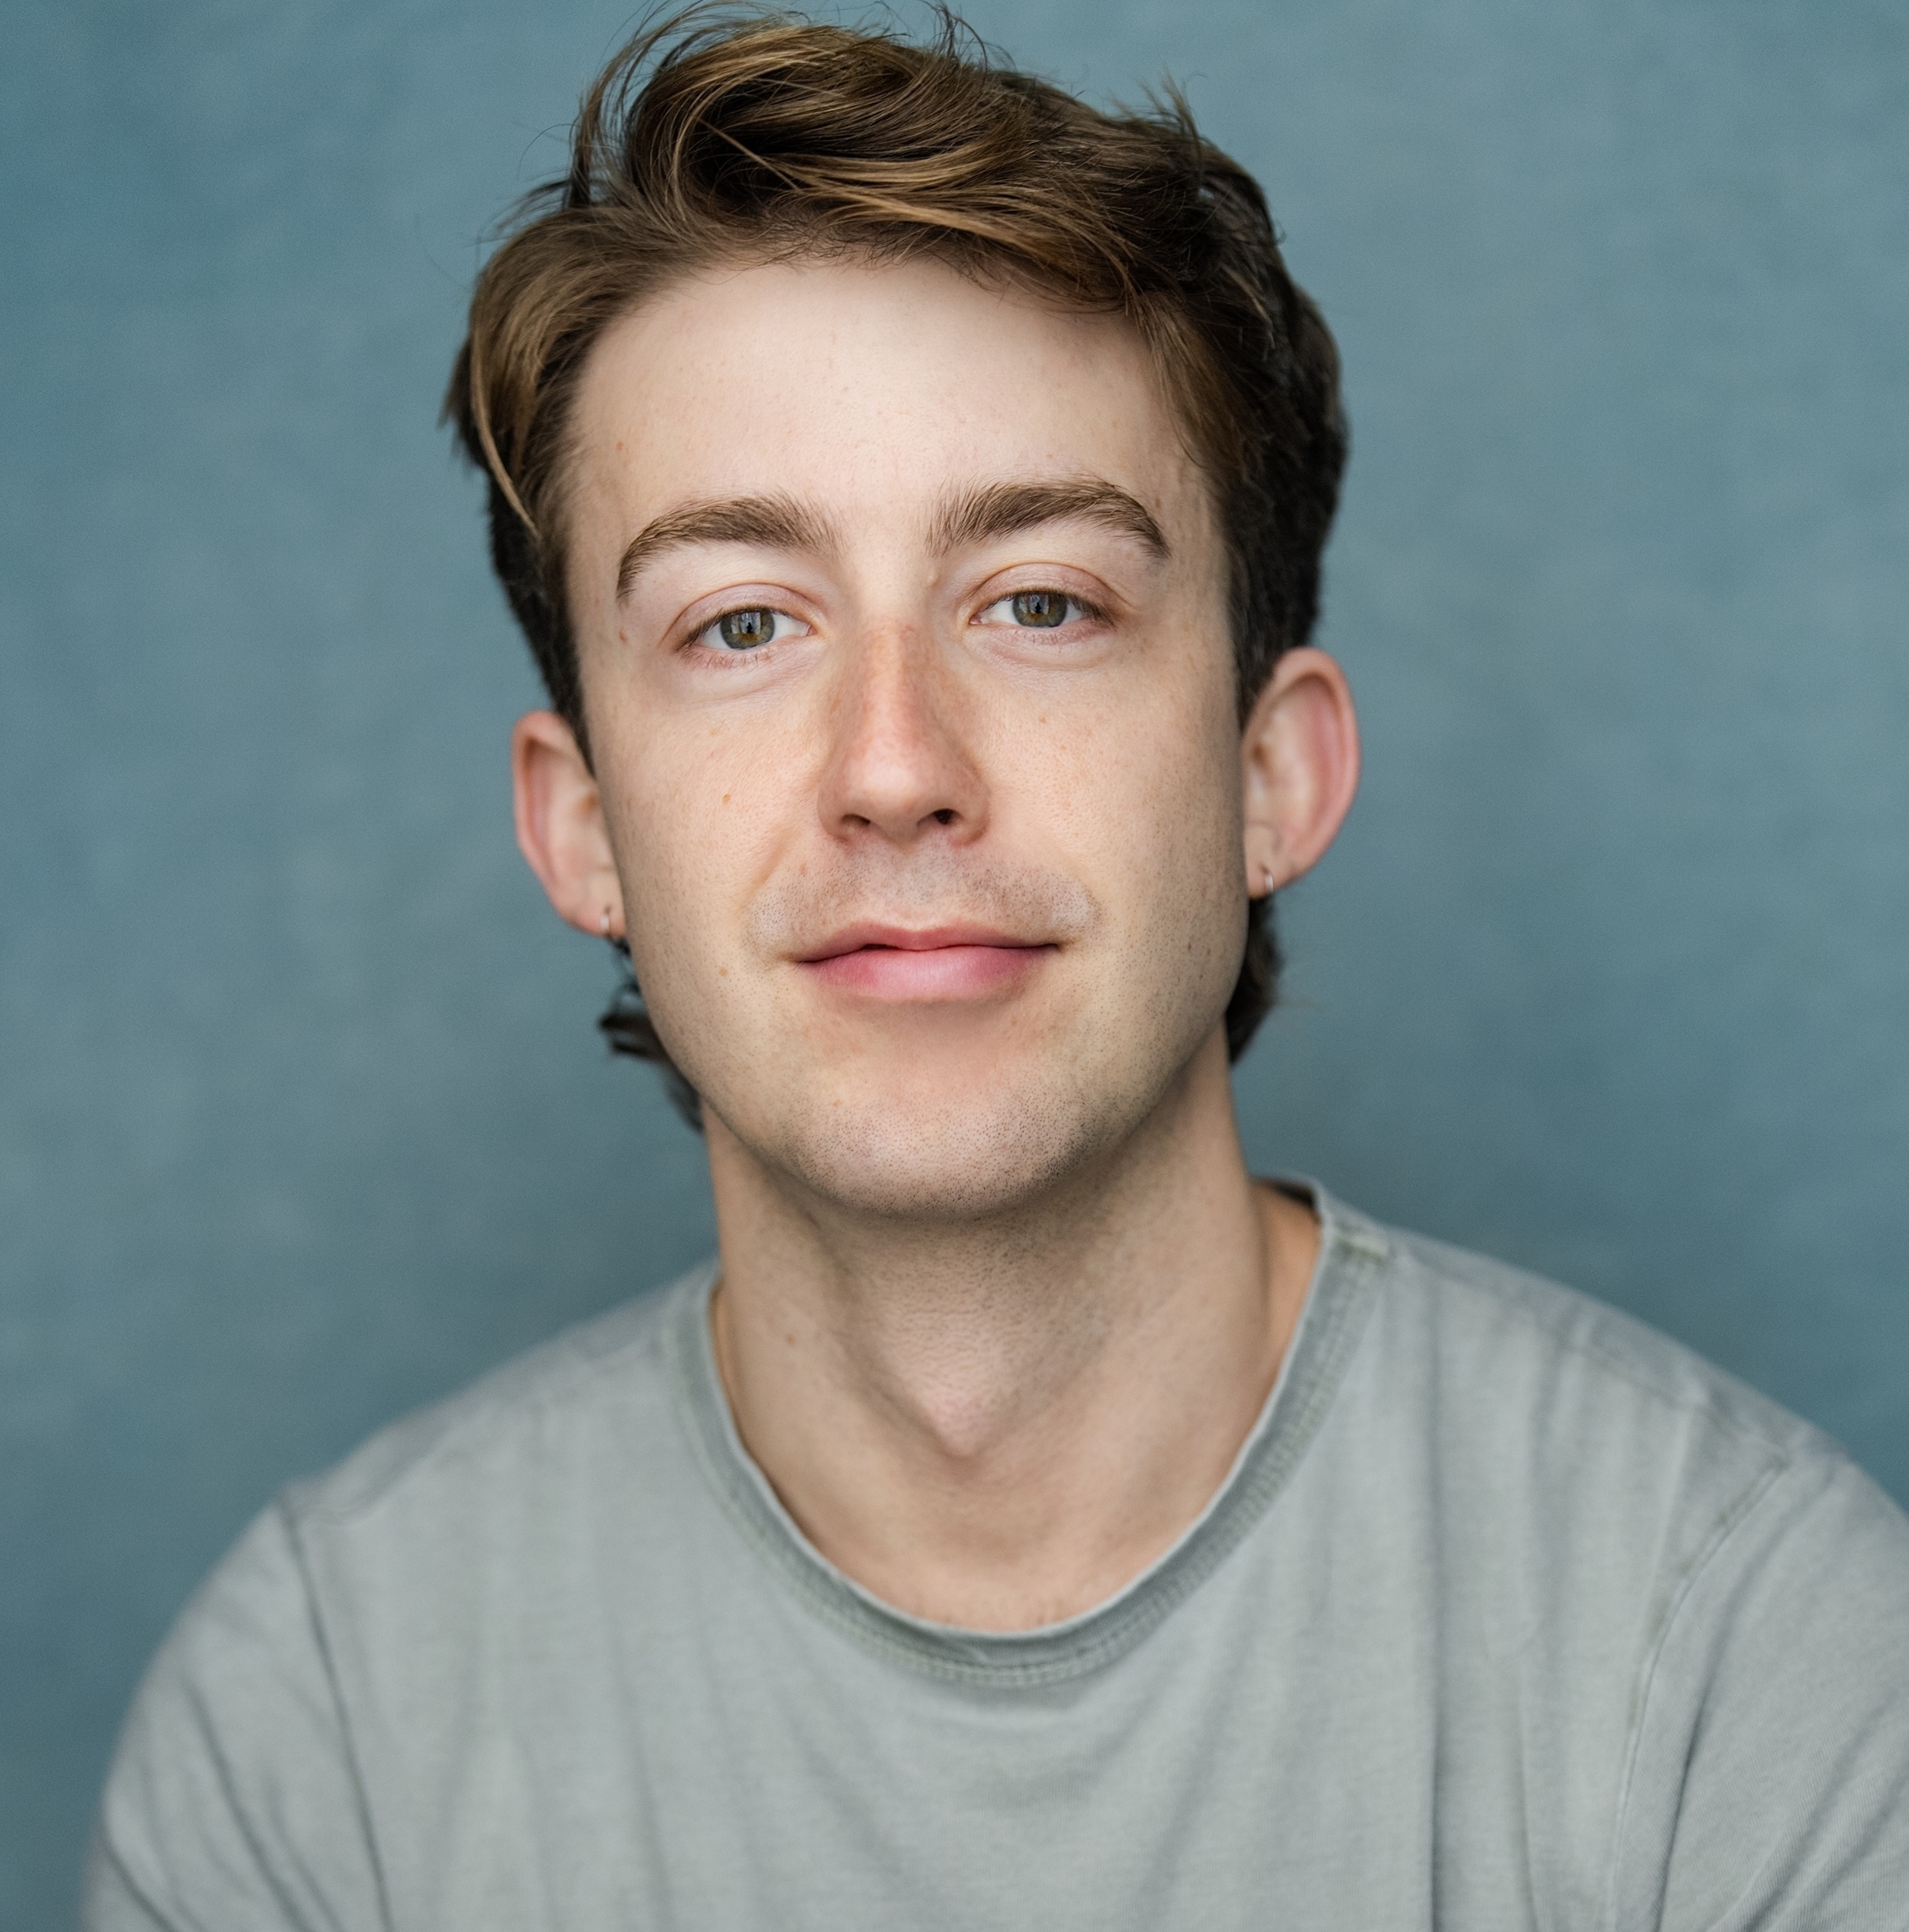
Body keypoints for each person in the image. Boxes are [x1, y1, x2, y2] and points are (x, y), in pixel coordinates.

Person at [83, 11, 1909, 1929]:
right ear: (585, 827)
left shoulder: (1745, 1660)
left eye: (1040, 600)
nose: (893, 766)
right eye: (740, 623)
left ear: (1268, 775)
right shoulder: (323, 1727)